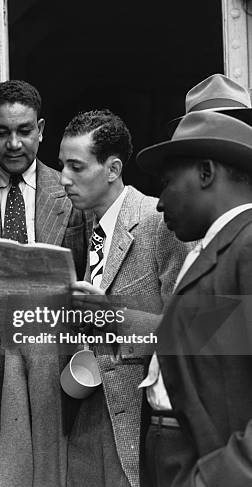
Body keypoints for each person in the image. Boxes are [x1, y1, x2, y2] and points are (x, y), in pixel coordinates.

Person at [0, 80, 88, 487]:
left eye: (24, 131)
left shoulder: (71, 191)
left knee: (53, 468)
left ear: (41, 129)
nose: (13, 144)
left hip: (53, 353)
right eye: (2, 132)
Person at [58, 109, 189, 487]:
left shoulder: (160, 221)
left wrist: (111, 315)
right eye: (62, 165)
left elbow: (190, 332)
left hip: (135, 422)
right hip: (82, 415)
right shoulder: (79, 226)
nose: (64, 179)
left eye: (77, 167)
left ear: (113, 169)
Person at [136, 110, 252, 486]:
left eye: (167, 184)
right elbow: (207, 352)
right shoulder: (217, 248)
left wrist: (217, 478)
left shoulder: (248, 246)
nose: (158, 202)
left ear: (206, 172)